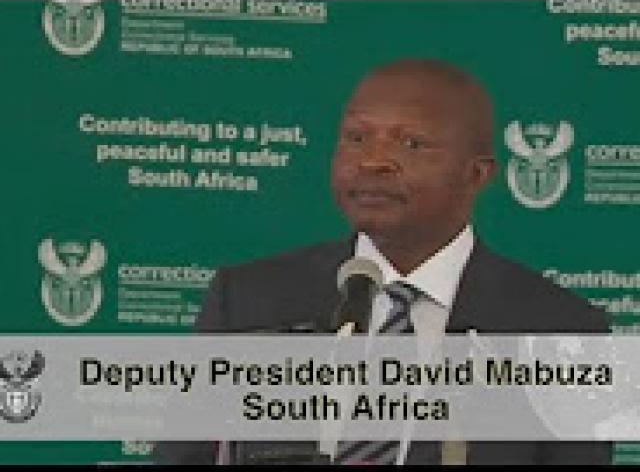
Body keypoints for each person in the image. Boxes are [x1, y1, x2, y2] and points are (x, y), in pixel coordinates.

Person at [154, 59, 611, 464]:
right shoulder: (248, 302)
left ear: (476, 173)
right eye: (357, 138)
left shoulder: (561, 332)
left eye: (411, 144)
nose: (373, 162)